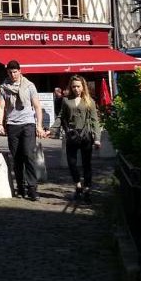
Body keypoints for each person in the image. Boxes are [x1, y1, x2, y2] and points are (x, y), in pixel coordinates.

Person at [0, 60, 45, 201]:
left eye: (15, 72)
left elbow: (37, 106)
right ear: (7, 73)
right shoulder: (4, 87)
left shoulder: (29, 86)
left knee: (28, 155)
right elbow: (0, 107)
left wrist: (39, 125)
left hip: (28, 124)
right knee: (17, 157)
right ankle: (21, 186)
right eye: (10, 72)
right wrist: (0, 123)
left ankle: (32, 188)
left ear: (20, 71)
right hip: (12, 124)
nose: (13, 75)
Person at [48, 74, 101, 203]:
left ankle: (87, 190)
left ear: (83, 87)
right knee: (71, 163)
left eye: (78, 86)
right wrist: (51, 130)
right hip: (72, 135)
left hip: (86, 135)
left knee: (86, 164)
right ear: (70, 88)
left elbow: (95, 121)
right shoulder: (66, 100)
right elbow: (61, 117)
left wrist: (97, 138)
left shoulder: (89, 101)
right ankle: (78, 185)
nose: (76, 89)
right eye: (73, 87)